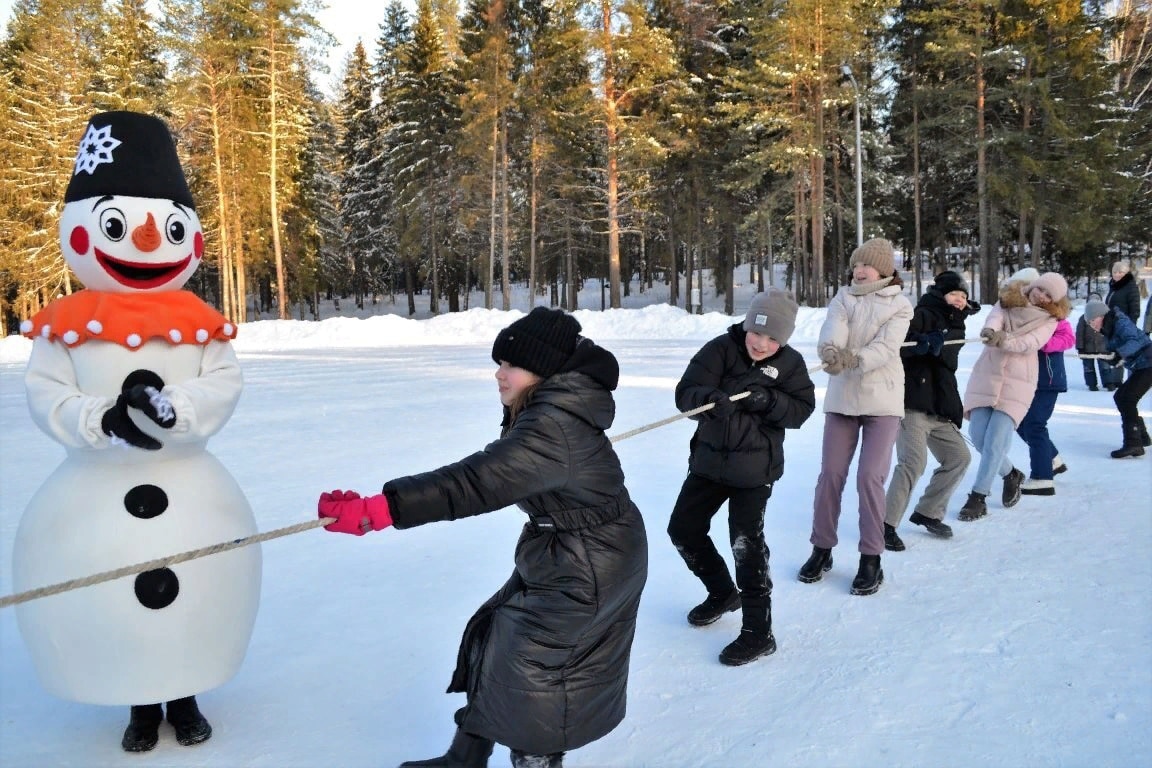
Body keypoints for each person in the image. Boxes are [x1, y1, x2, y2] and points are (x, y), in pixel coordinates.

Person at [317, 307, 648, 768]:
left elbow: (477, 481)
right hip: (575, 549)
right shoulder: (552, 406)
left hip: (591, 560)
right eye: (500, 363)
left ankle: (534, 760)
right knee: (499, 639)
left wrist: (383, 508)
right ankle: (464, 758)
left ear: (542, 370)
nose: (499, 373)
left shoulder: (553, 422)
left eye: (510, 364)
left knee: (532, 670)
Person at [668, 289, 815, 666]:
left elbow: (801, 409)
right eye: (756, 332)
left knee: (745, 544)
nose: (761, 343)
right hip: (709, 462)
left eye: (772, 338)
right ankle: (721, 592)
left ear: (783, 339)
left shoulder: (791, 364)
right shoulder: (720, 349)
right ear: (747, 325)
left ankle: (758, 632)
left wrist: (769, 402)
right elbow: (686, 392)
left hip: (755, 471)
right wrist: (708, 400)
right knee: (683, 529)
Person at [797, 238, 913, 595]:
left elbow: (885, 347)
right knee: (831, 474)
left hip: (882, 401)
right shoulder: (844, 296)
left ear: (885, 269)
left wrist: (856, 359)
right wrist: (832, 349)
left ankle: (871, 556)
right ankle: (822, 548)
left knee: (869, 478)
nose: (859, 271)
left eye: (867, 265)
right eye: (856, 265)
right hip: (843, 398)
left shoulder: (901, 305)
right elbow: (835, 327)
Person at [957, 271, 1067, 521]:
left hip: (1019, 381)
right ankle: (1010, 474)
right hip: (988, 373)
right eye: (1042, 289)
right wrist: (990, 330)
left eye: (1049, 296)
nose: (1042, 296)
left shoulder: (1049, 319)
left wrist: (1003, 340)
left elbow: (1031, 343)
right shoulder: (1009, 299)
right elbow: (995, 317)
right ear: (1035, 285)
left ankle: (978, 497)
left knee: (995, 441)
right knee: (978, 436)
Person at [883, 270, 979, 552]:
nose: (960, 300)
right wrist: (922, 345)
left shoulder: (957, 323)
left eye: (963, 296)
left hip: (940, 407)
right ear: (941, 295)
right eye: (954, 295)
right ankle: (886, 524)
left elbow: (946, 361)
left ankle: (928, 511)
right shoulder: (922, 313)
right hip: (912, 403)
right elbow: (896, 347)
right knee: (913, 463)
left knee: (959, 457)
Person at [1013, 311, 1075, 496]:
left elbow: (1068, 338)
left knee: (1035, 425)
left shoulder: (1053, 316)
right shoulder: (1022, 316)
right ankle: (1052, 458)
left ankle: (1042, 477)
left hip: (1048, 379)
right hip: (1028, 380)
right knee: (1020, 422)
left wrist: (1043, 343)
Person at [1083, 299, 1152, 458]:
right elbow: (1118, 350)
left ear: (1101, 315)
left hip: (1148, 363)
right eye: (1089, 323)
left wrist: (1120, 353)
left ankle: (1134, 443)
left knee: (1127, 399)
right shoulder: (1108, 328)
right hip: (1142, 365)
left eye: (1093, 320)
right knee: (1121, 397)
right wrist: (1113, 357)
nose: (1092, 325)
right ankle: (1141, 436)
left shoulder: (1119, 321)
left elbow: (1134, 341)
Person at [1104, 261, 1141, 390]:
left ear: (1126, 273)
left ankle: (1134, 382)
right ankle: (1116, 381)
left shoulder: (1130, 287)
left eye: (1121, 272)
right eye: (1115, 272)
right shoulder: (1114, 286)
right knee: (1116, 352)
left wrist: (1129, 326)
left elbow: (1135, 309)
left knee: (1128, 353)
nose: (1117, 274)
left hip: (1125, 326)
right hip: (1113, 326)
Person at [1076, 292, 1112, 391]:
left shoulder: (1106, 317)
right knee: (1088, 368)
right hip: (1087, 348)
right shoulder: (1083, 318)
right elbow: (1079, 334)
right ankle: (1091, 384)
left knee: (1105, 367)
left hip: (1103, 348)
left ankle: (1109, 383)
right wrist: (1080, 347)